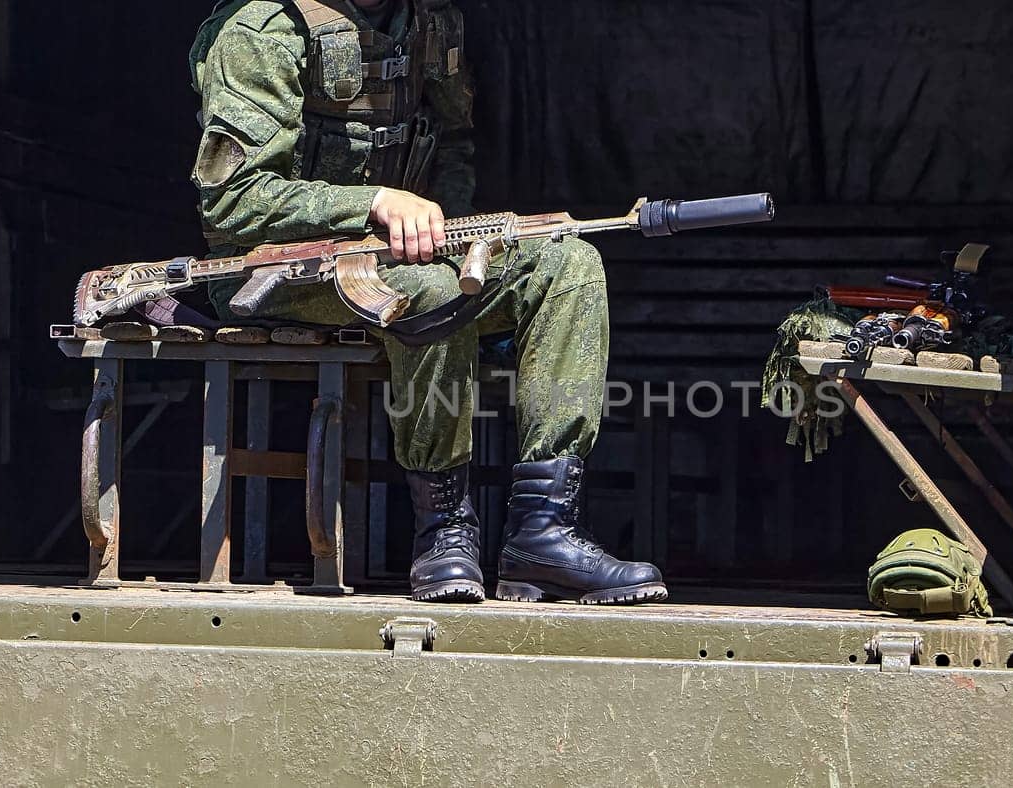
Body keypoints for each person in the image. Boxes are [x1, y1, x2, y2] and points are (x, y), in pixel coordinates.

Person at [189, 0, 667, 605]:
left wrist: (450, 227)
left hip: (402, 254)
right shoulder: (263, 30)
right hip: (274, 270)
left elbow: (454, 144)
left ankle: (543, 533)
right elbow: (232, 201)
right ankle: (444, 533)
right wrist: (372, 204)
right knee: (433, 294)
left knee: (567, 264)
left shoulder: (429, 23)